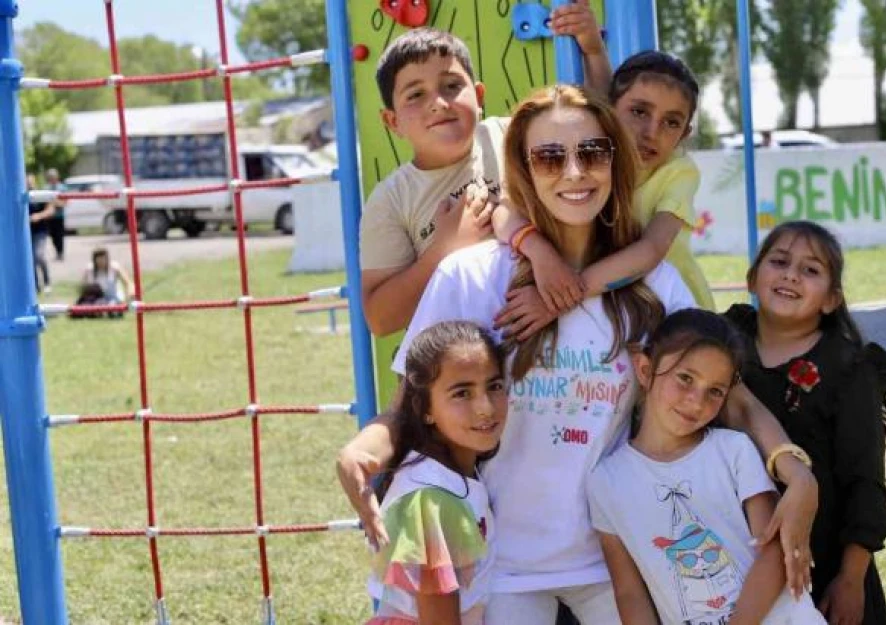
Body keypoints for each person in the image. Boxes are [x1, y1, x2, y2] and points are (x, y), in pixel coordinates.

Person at [339, 85, 817, 625]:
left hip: (617, 555)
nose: (574, 172)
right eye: (550, 156)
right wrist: (362, 450)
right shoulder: (470, 277)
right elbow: (409, 409)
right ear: (522, 166)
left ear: (614, 160)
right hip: (498, 558)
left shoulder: (653, 284)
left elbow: (732, 398)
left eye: (592, 153)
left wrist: (796, 472)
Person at [358, 17, 611, 337]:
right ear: (392, 121)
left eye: (452, 86)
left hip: (563, 333)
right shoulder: (390, 200)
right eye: (415, 95)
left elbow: (596, 124)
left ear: (478, 96)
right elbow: (380, 319)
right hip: (469, 362)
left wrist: (593, 51)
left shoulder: (514, 135)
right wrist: (443, 249)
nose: (438, 103)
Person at [722, 221, 886, 625]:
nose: (791, 274)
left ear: (831, 300)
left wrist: (851, 578)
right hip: (736, 551)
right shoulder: (723, 341)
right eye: (779, 261)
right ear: (751, 277)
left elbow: (864, 482)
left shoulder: (848, 369)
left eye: (810, 269)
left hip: (823, 560)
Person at [587, 308, 825, 625]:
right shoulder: (606, 482)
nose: (696, 402)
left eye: (715, 391)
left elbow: (772, 552)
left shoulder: (733, 450)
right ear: (645, 370)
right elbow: (630, 592)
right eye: (685, 379)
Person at [493, 51, 715, 345]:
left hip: (671, 310)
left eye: (671, 122)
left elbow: (650, 250)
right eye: (639, 112)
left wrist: (561, 295)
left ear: (685, 133)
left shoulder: (678, 172)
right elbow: (504, 208)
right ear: (609, 111)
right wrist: (541, 254)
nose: (651, 132)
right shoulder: (593, 160)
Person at [367, 320, 508, 625]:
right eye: (462, 393)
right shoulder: (430, 499)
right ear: (425, 408)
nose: (485, 407)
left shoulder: (455, 477)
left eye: (494, 386)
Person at [74, 248, 135, 316]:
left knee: (112, 310)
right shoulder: (89, 269)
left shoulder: (115, 267)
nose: (101, 261)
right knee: (88, 308)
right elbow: (81, 287)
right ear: (95, 260)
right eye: (99, 259)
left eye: (103, 258)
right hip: (97, 299)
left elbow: (128, 283)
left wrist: (130, 292)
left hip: (113, 298)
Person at [27, 173, 55, 294]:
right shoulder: (22, 196)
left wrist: (38, 216)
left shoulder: (40, 195)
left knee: (39, 256)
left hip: (40, 231)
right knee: (30, 259)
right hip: (27, 233)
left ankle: (47, 282)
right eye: (27, 183)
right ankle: (35, 286)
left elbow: (51, 210)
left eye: (31, 182)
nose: (29, 185)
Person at [45, 168, 67, 261]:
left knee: (60, 235)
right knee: (53, 236)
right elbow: (45, 202)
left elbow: (65, 202)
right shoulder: (46, 188)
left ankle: (60, 252)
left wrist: (56, 203)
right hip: (50, 217)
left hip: (59, 216)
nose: (52, 179)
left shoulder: (62, 188)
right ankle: (57, 251)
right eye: (50, 177)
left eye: (53, 177)